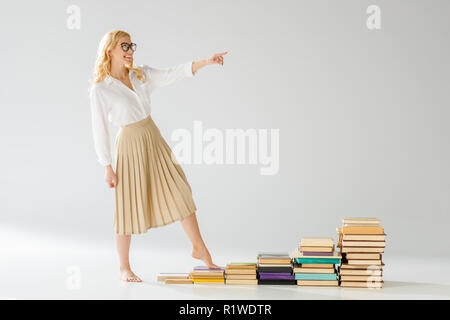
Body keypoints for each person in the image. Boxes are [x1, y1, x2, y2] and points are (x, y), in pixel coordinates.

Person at [89, 30, 227, 282]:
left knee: (180, 190)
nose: (130, 50)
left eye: (131, 45)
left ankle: (200, 249)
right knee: (127, 204)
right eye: (124, 46)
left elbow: (172, 73)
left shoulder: (141, 74)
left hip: (153, 137)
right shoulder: (101, 89)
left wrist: (206, 62)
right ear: (110, 50)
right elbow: (99, 129)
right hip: (129, 144)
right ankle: (124, 267)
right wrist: (107, 165)